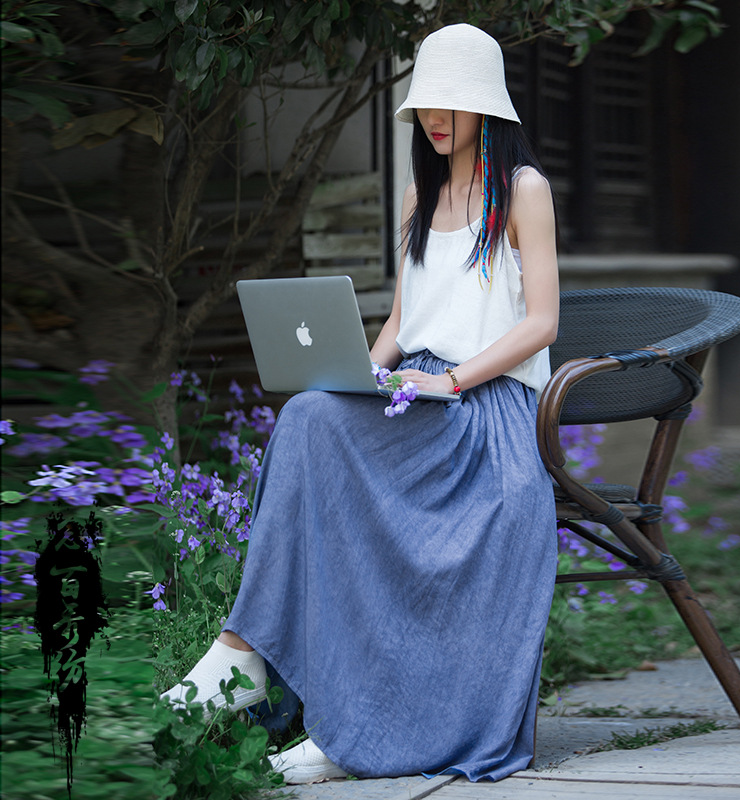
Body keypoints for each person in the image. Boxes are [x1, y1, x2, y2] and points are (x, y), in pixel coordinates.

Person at [162, 22, 559, 785]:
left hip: (486, 410)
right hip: (419, 399)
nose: (433, 117)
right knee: (310, 414)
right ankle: (243, 651)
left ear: (486, 107)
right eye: (425, 104)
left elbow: (542, 322)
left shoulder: (524, 190)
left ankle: (341, 720)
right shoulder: (420, 195)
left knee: (317, 423)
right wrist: (354, 376)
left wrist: (453, 381)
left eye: (450, 103)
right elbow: (403, 324)